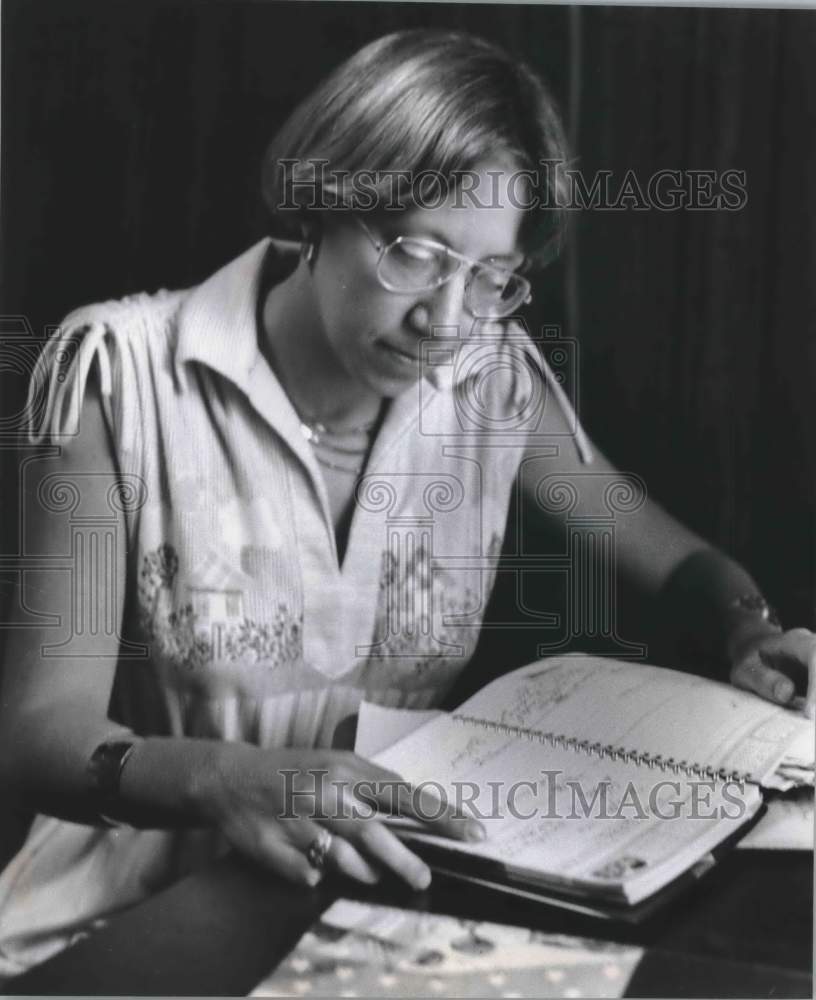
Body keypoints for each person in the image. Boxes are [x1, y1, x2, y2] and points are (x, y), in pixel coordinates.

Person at [0, 28, 812, 981]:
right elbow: (35, 733)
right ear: (320, 203)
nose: (446, 318)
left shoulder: (490, 381)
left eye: (488, 276)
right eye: (415, 254)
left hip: (380, 894)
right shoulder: (118, 375)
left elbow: (676, 563)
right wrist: (224, 779)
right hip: (129, 912)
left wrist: (747, 629)